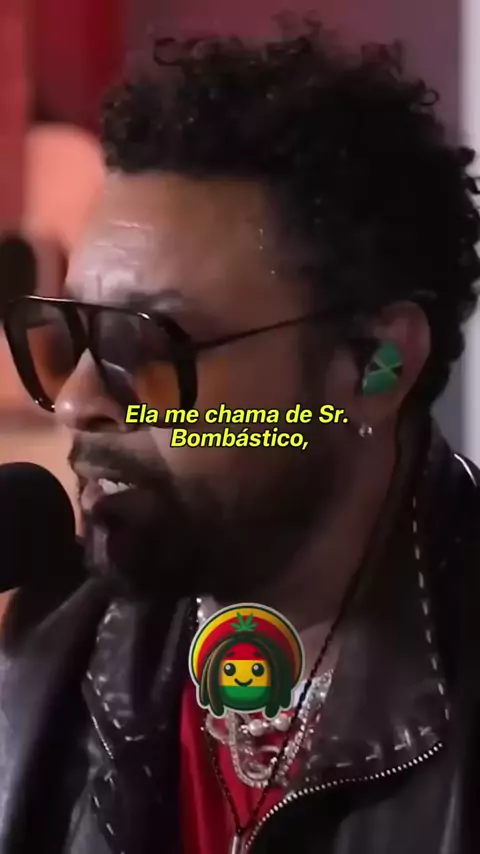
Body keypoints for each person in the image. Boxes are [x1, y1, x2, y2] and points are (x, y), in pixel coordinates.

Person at [1, 20, 480, 854]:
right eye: (72, 332)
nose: (76, 402)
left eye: (143, 344)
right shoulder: (45, 658)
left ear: (376, 364)